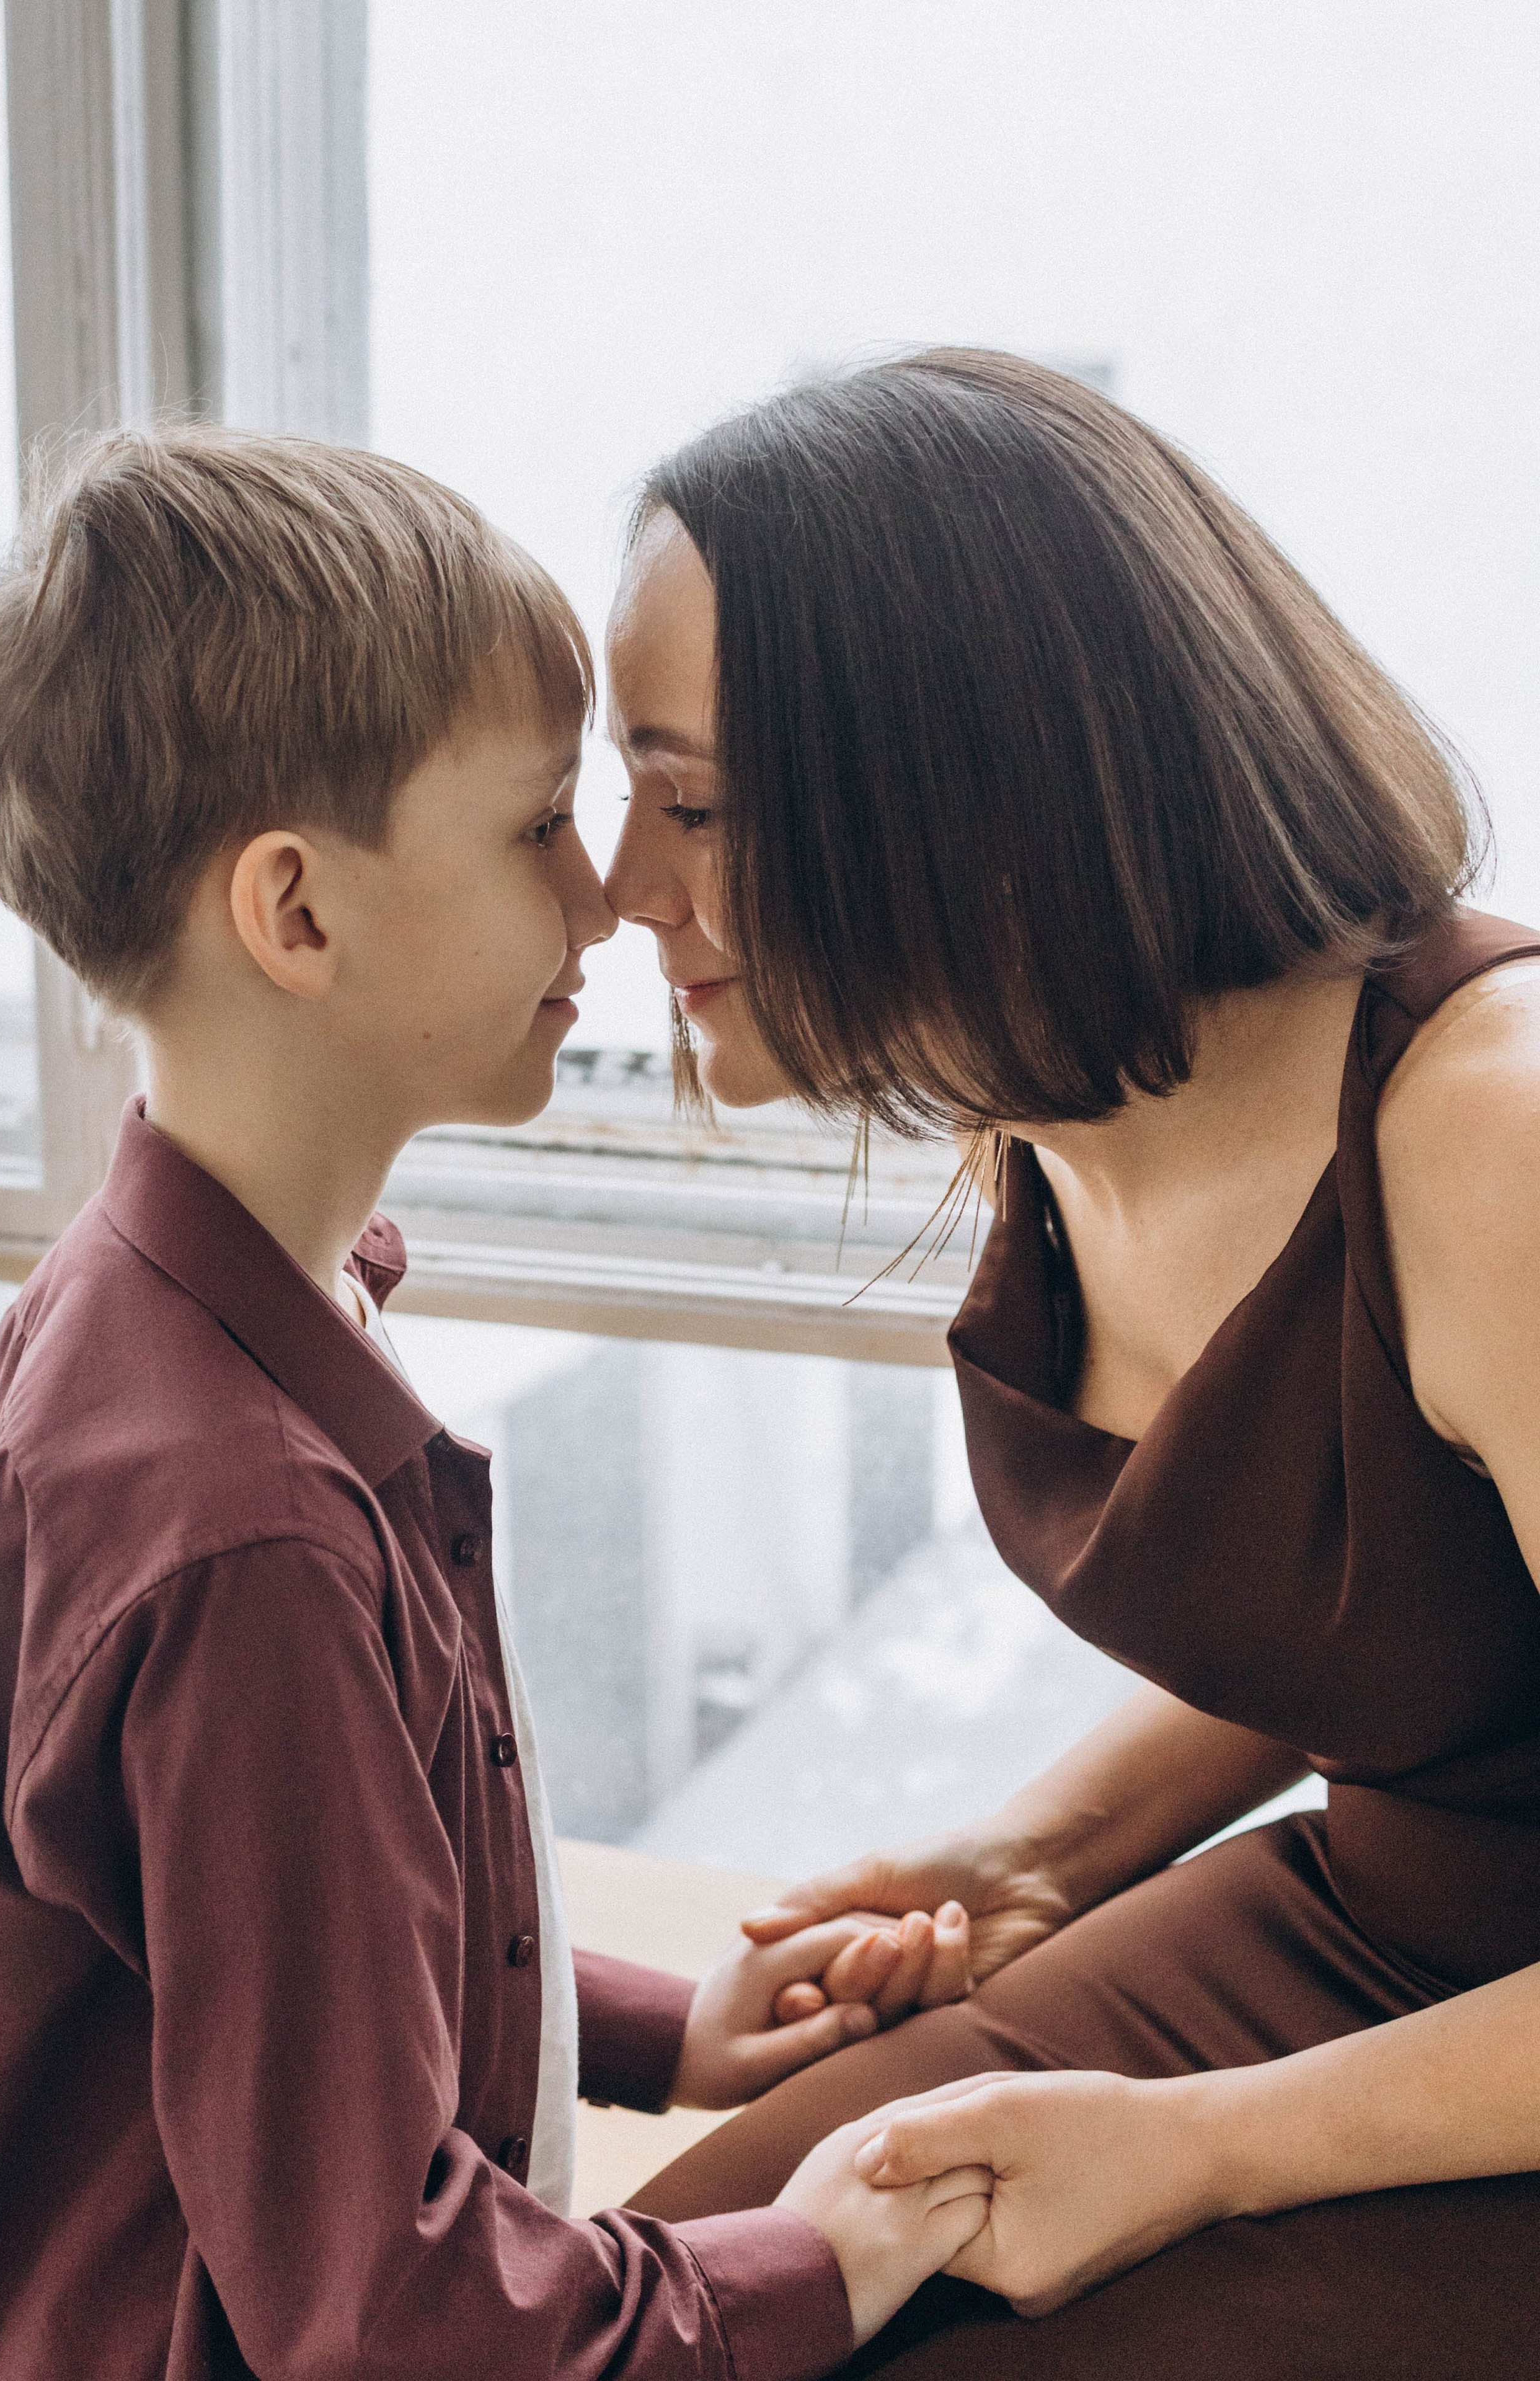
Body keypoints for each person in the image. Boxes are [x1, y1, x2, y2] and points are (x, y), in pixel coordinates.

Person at [0, 428, 992, 2381]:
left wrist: (647, 2030)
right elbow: (389, 2320)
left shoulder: (162, 1314)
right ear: (300, 915)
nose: (607, 894)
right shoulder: (243, 1524)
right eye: (536, 827)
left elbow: (256, 1948)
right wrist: (819, 2262)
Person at [601, 350, 1540, 2378]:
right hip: (1361, 1938)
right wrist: (1043, 1852)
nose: (618, 887)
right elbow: (1413, 1596)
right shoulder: (1035, 1093)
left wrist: (1198, 2154)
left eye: (689, 802)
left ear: (955, 795)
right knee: (650, 2319)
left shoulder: (1500, 1147)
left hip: (1506, 2051)